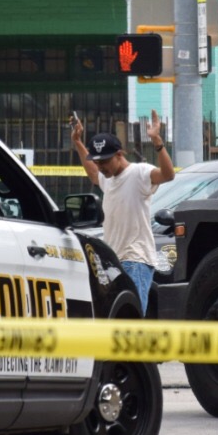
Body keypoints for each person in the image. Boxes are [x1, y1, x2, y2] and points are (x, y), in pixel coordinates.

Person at [72, 111, 175, 315]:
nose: (100, 167)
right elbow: (93, 174)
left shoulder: (139, 173)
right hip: (114, 262)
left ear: (120, 154)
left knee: (130, 321)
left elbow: (168, 174)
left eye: (105, 161)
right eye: (98, 161)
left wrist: (157, 142)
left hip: (135, 260)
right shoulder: (107, 179)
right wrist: (77, 141)